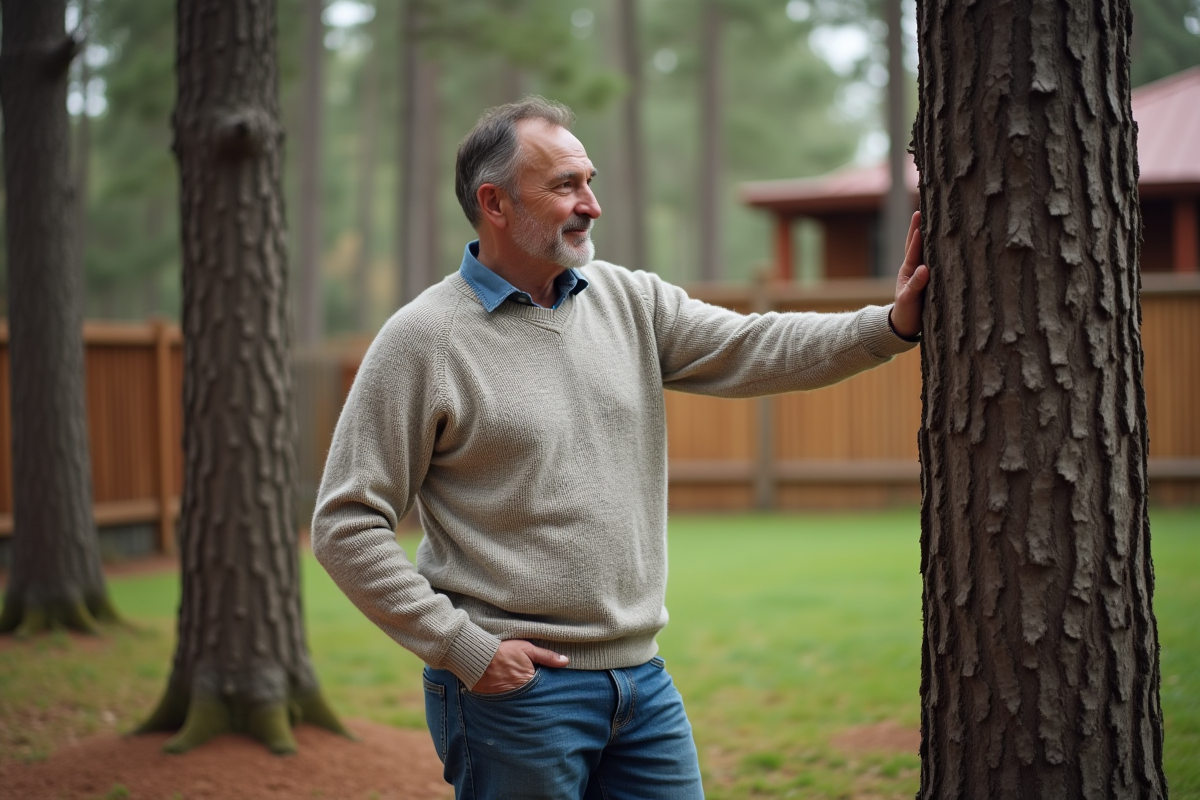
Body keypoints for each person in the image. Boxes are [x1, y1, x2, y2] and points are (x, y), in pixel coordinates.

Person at [311, 96, 928, 799]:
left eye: (590, 181)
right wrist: (464, 650)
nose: (591, 205)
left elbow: (756, 345)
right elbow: (345, 523)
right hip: (515, 696)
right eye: (565, 186)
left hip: (643, 683)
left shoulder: (629, 301)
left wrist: (890, 324)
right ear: (496, 203)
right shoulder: (422, 341)